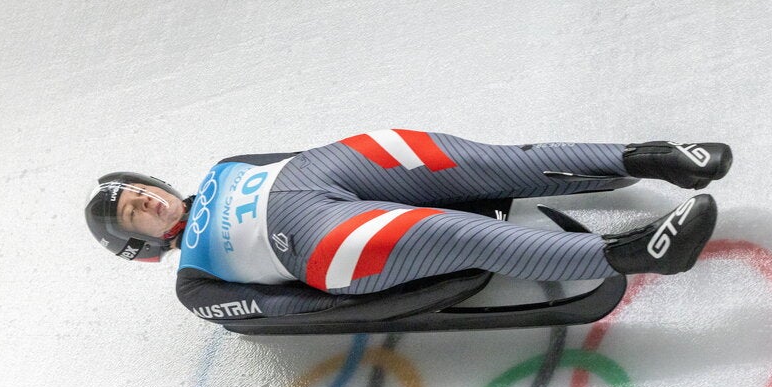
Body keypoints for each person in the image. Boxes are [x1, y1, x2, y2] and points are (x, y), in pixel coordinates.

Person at [85, 131, 731, 321]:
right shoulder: (194, 283)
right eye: (135, 212)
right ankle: (633, 253)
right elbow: (290, 310)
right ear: (139, 242)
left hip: (329, 169)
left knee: (484, 160)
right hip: (318, 244)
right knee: (453, 231)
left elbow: (290, 156)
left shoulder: (223, 163)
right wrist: (398, 300)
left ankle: (655, 159)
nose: (147, 201)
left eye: (142, 191)